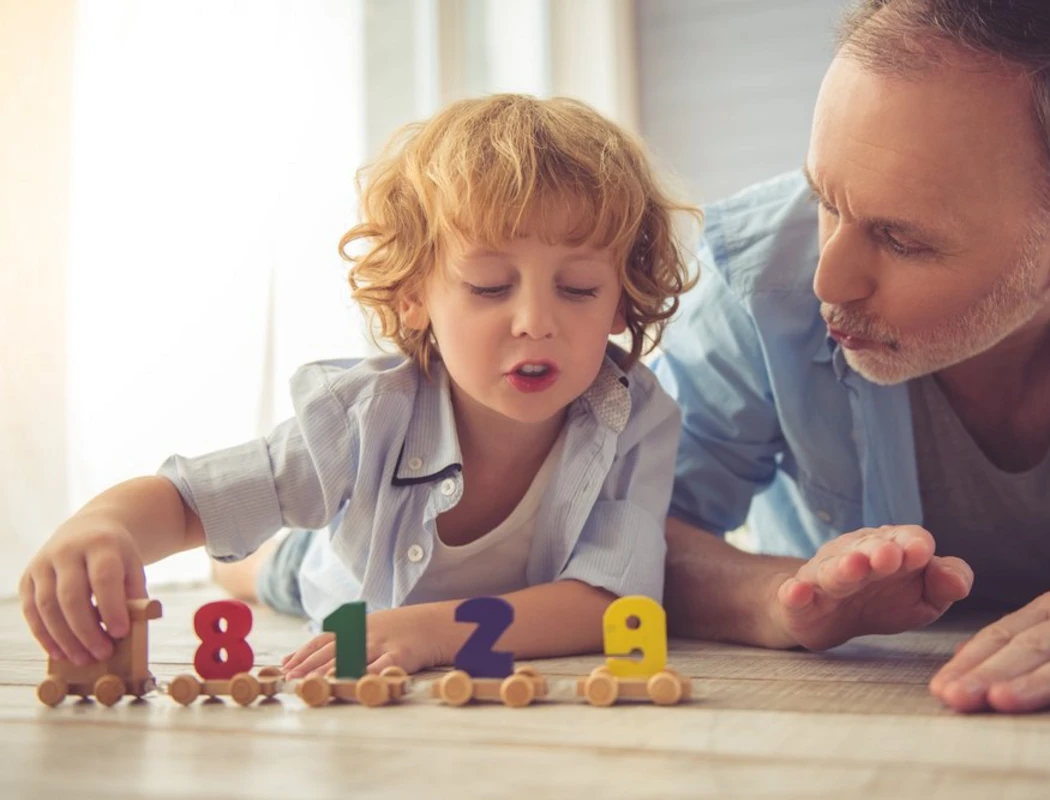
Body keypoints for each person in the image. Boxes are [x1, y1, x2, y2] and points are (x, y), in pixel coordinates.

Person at [20, 94, 696, 679]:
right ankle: (251, 565)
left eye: (578, 289)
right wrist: (102, 525)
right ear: (413, 299)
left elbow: (611, 602)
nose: (536, 323)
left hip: (430, 621)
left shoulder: (635, 417)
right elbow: (195, 502)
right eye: (490, 286)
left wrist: (434, 632)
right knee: (274, 572)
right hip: (338, 578)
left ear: (618, 303)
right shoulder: (363, 416)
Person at [655, 0, 1050, 713]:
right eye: (823, 197)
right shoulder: (758, 278)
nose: (827, 280)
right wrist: (780, 601)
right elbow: (635, 528)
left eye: (903, 240)